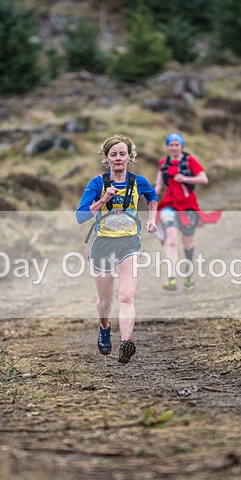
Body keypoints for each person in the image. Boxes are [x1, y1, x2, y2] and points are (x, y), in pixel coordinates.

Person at [77, 134, 158, 364]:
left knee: (127, 296)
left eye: (123, 154)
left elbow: (152, 197)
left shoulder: (138, 182)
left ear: (129, 157)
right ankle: (104, 327)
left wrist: (153, 219)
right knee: (105, 302)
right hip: (103, 245)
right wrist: (104, 199)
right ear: (107, 159)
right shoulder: (97, 184)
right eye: (114, 154)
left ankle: (125, 343)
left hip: (129, 243)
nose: (118, 158)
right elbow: (81, 216)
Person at [155, 132, 221, 292]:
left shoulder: (190, 160)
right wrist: (151, 194)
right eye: (171, 145)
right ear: (167, 147)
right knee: (171, 240)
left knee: (187, 243)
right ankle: (171, 278)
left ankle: (189, 275)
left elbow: (204, 179)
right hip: (169, 205)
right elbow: (159, 183)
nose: (174, 147)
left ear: (182, 146)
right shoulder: (163, 163)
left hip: (188, 207)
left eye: (176, 144)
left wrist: (185, 178)